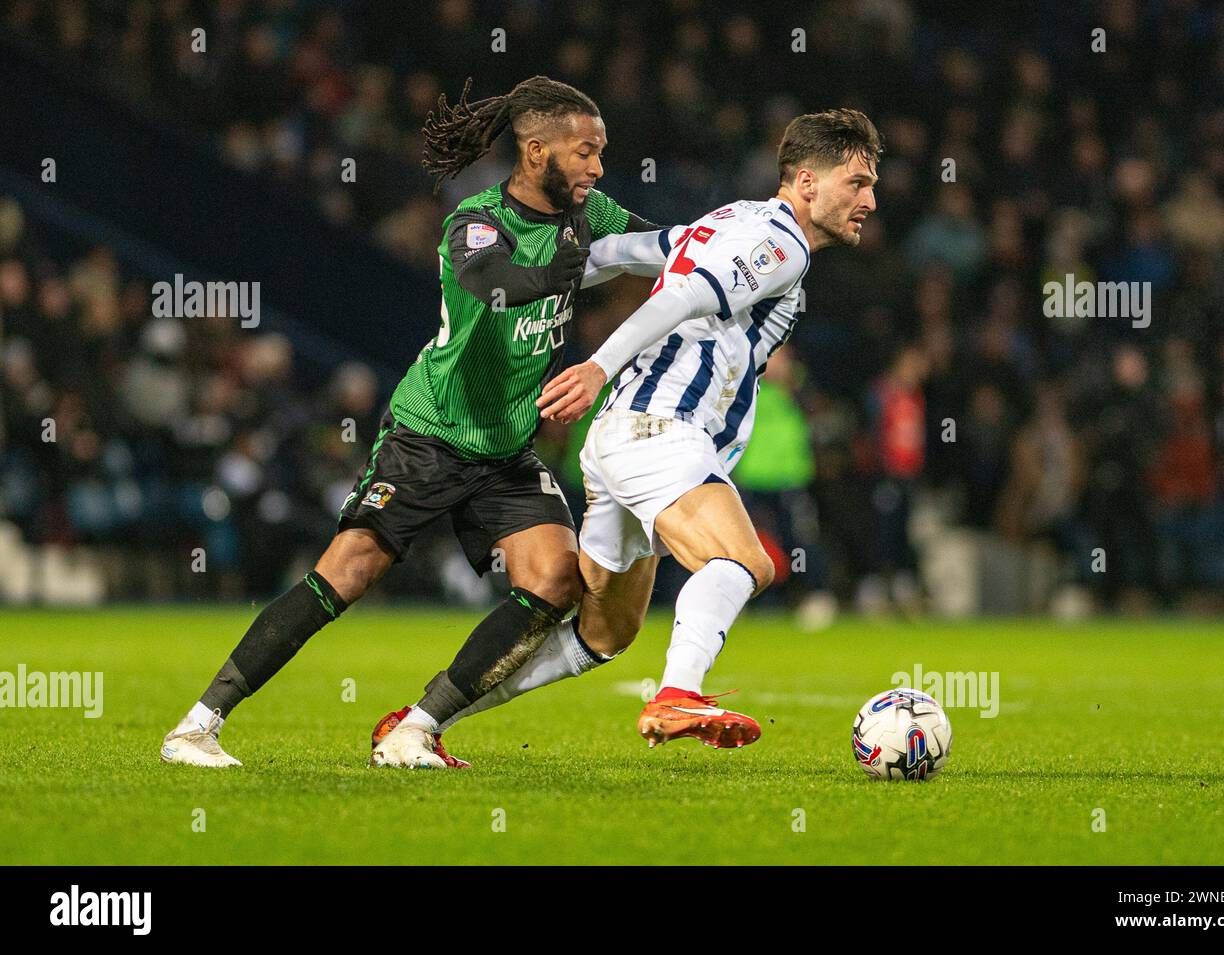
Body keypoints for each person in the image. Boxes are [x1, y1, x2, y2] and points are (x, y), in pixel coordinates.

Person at [160, 76, 662, 769]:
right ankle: (197, 724)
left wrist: (743, 242)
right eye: (585, 153)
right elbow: (493, 284)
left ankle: (415, 727)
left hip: (505, 449)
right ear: (536, 149)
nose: (597, 168)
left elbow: (666, 247)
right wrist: (572, 269)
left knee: (554, 579)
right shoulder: (477, 220)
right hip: (429, 436)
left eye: (601, 154)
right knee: (347, 573)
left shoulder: (587, 213)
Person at [373, 108, 883, 754]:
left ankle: (421, 720)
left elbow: (624, 251)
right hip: (659, 430)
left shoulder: (728, 220)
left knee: (603, 633)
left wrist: (513, 276)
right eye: (857, 183)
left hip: (622, 437)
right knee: (743, 560)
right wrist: (594, 366)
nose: (870, 200)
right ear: (807, 182)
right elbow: (678, 298)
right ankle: (677, 694)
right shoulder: (779, 244)